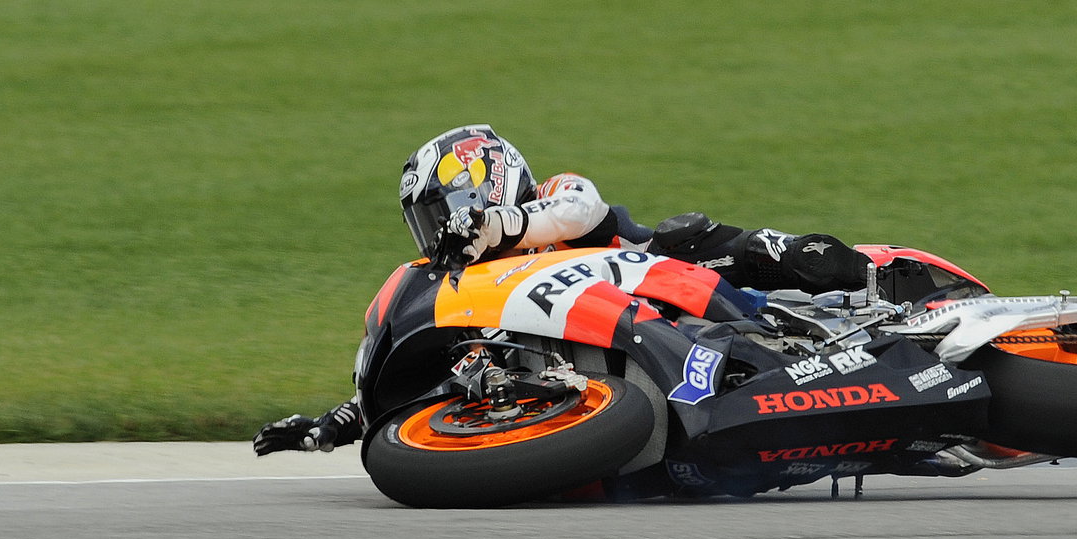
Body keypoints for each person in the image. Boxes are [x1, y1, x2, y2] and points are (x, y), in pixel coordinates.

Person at [253, 124, 875, 455]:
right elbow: (435, 366)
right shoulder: (463, 285)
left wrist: (500, 225)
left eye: (441, 213)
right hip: (596, 378)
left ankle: (860, 293)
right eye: (424, 222)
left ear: (483, 187)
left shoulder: (553, 199)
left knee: (703, 237)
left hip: (671, 290)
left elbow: (581, 208)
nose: (433, 233)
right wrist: (337, 423)